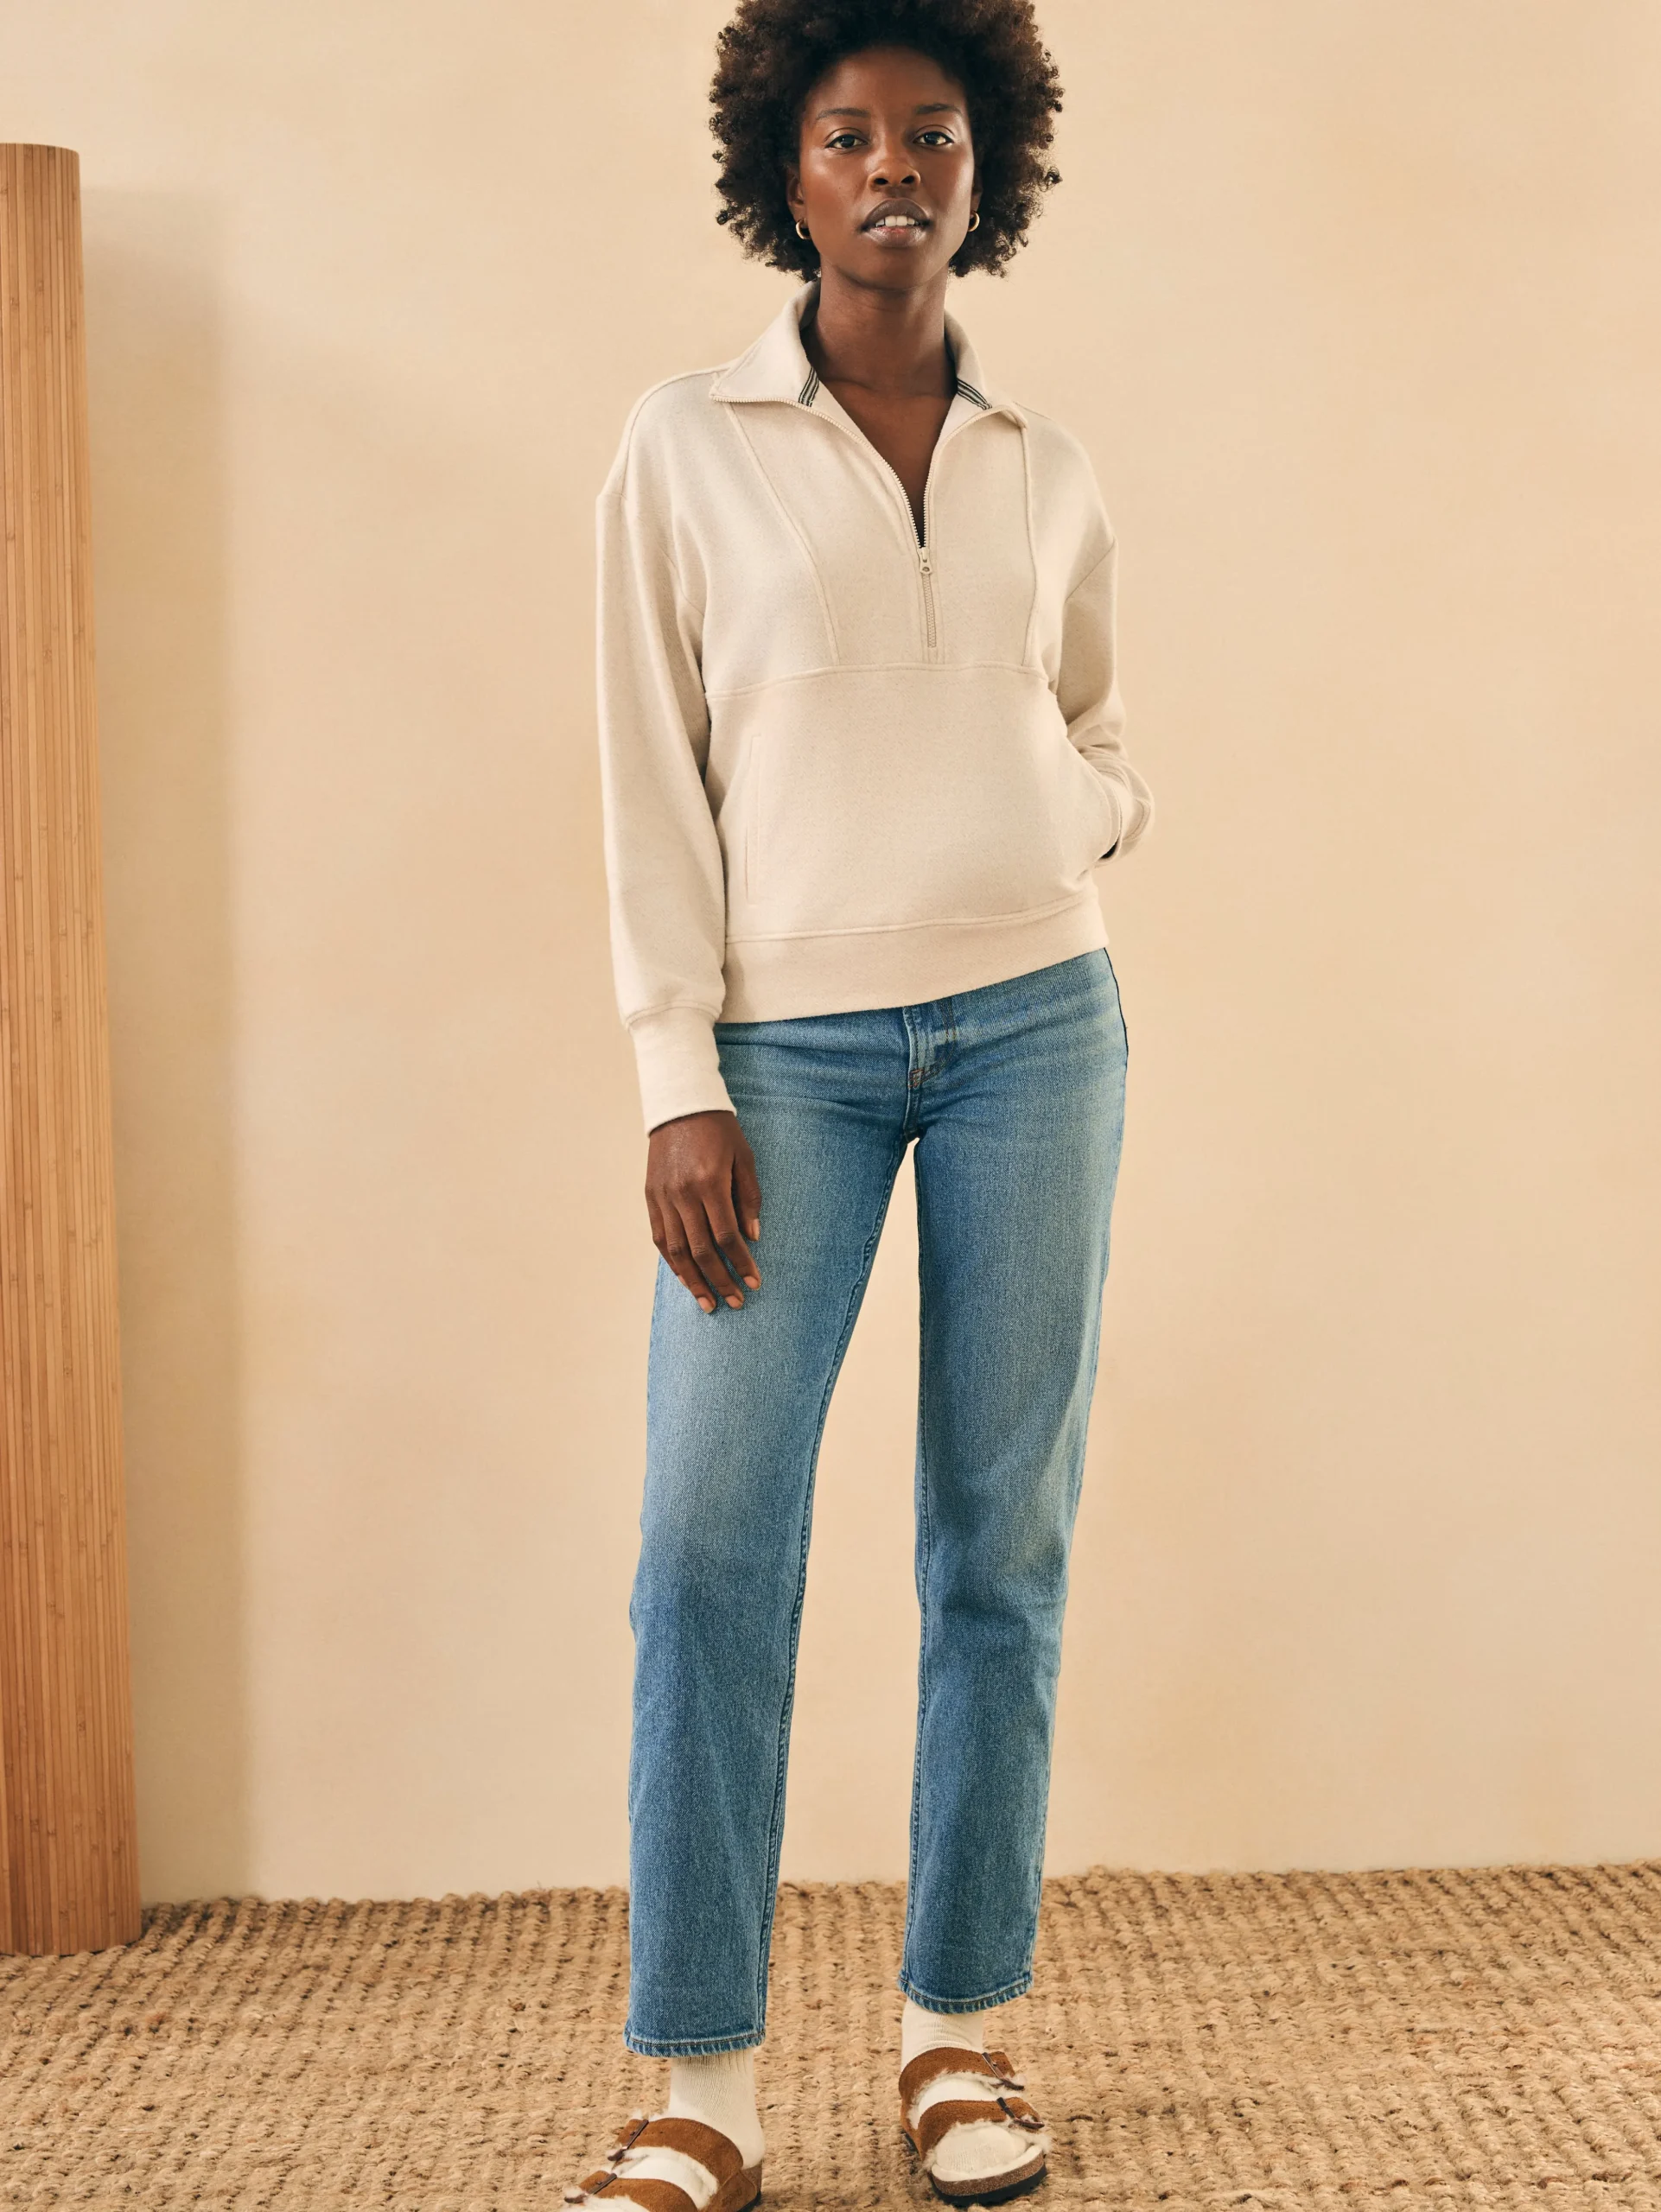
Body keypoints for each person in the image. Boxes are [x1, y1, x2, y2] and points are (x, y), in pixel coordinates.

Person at [570, 3, 1153, 2205]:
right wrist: (676, 1075)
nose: (894, 165)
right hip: (776, 1065)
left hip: (1037, 1032)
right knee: (707, 1546)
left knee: (997, 1545)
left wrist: (1060, 819)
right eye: (848, 135)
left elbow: (1095, 724)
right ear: (784, 171)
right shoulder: (684, 441)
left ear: (988, 167)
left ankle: (956, 2031)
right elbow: (646, 772)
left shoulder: (1041, 460)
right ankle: (698, 2074)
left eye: (932, 131)